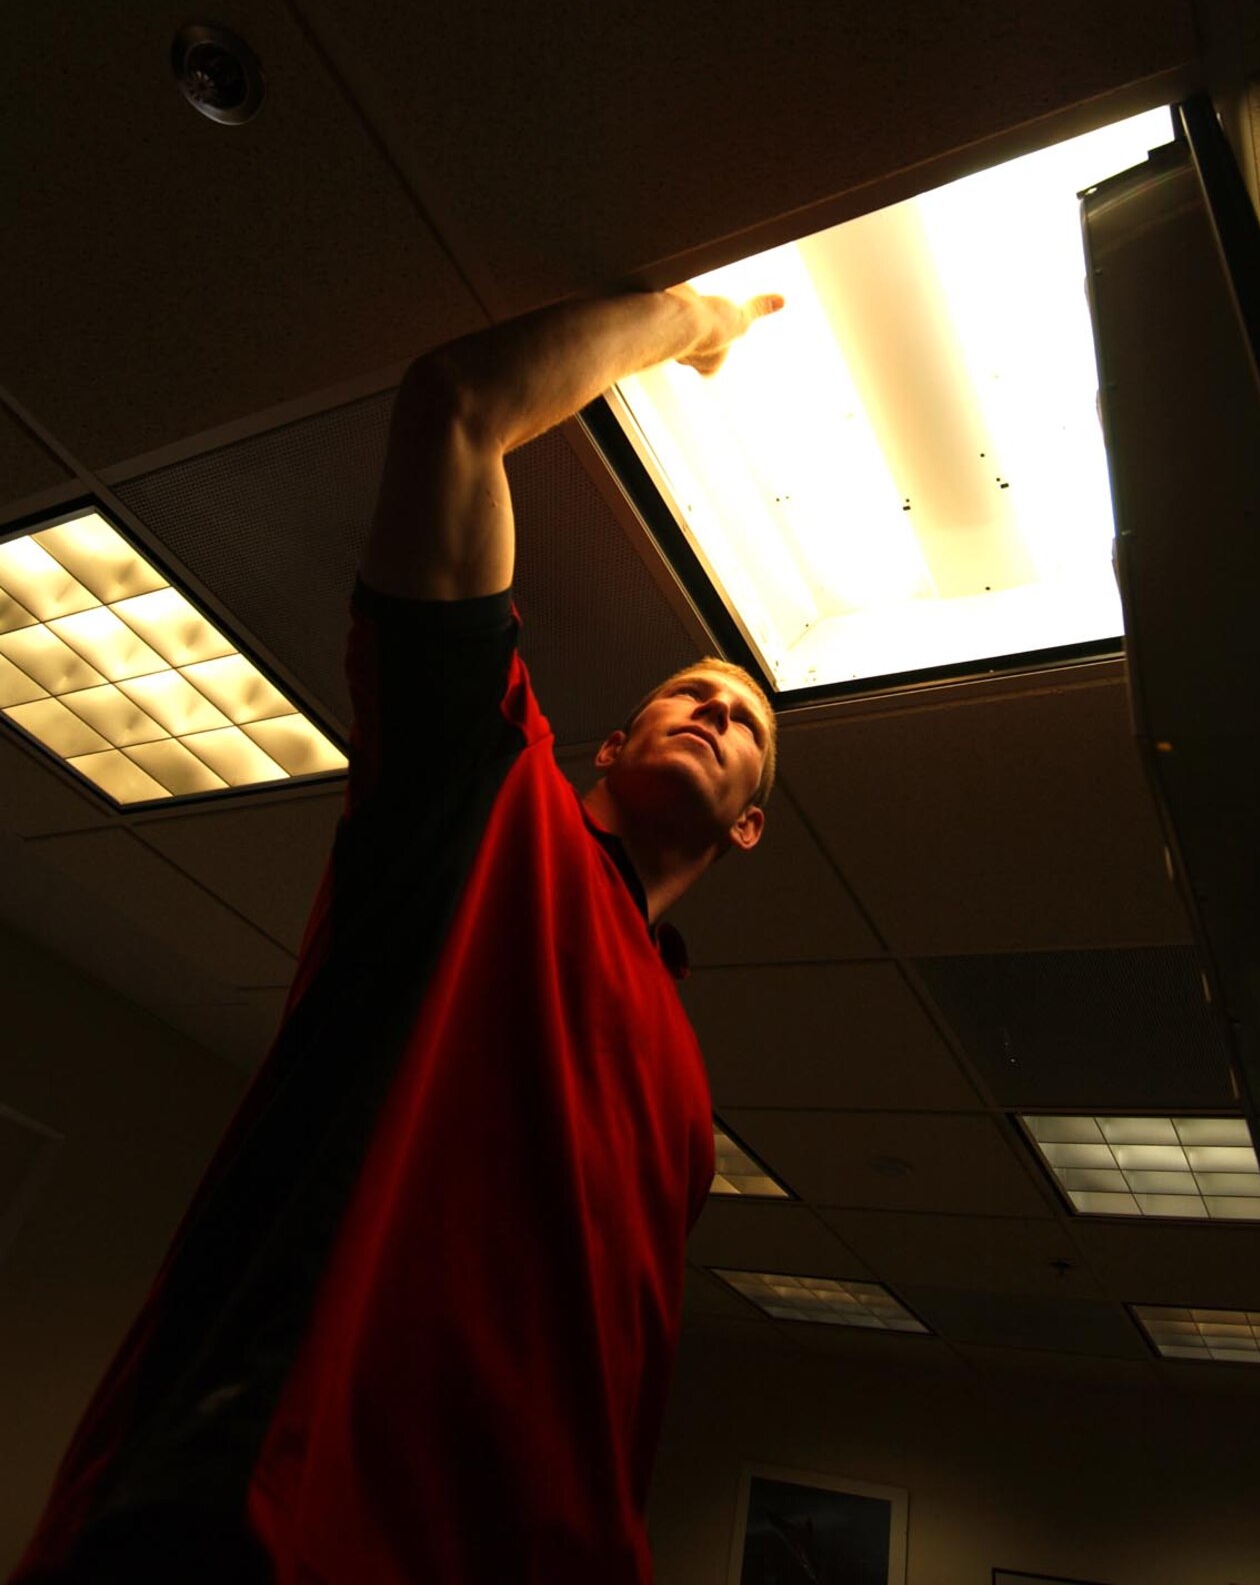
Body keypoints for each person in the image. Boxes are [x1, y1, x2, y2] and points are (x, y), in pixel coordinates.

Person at [10, 281, 783, 1585]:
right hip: (262, 1518)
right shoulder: (488, 797)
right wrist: (689, 321)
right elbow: (456, 413)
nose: (714, 709)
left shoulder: (691, 1108)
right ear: (612, 742)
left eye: (747, 721)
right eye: (686, 693)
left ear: (747, 826)